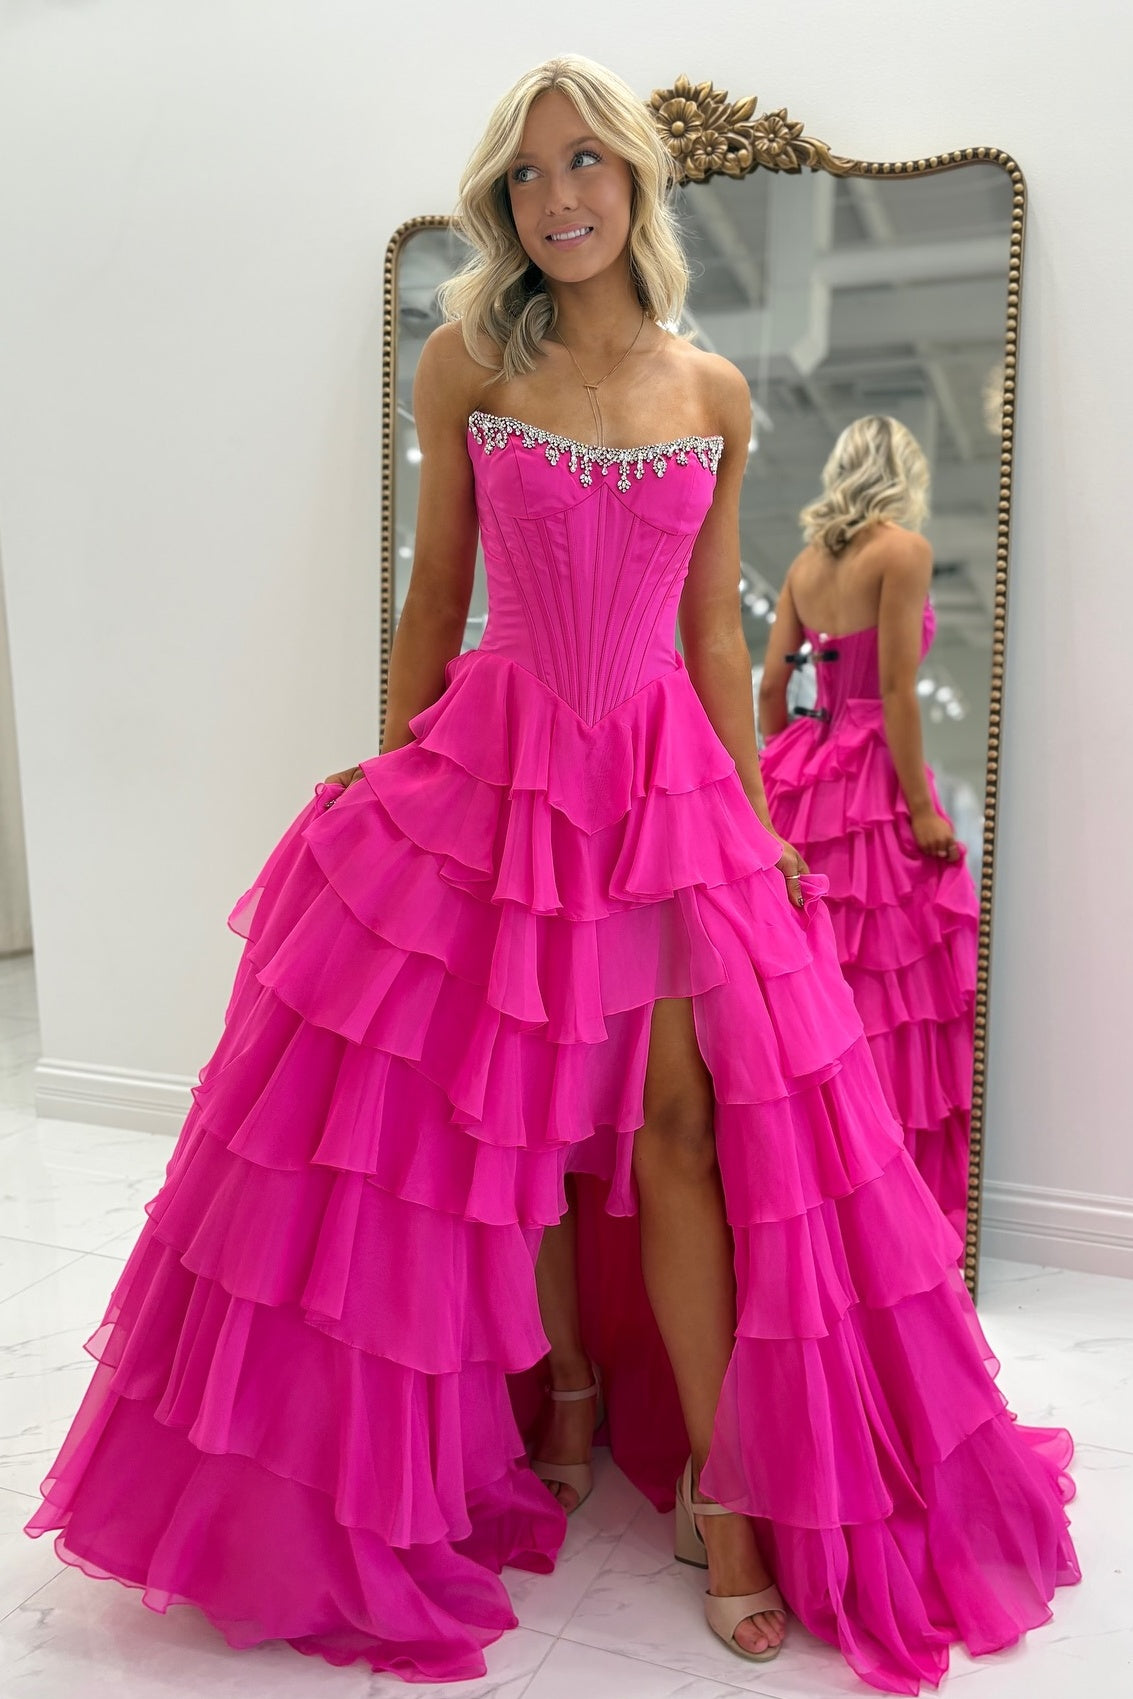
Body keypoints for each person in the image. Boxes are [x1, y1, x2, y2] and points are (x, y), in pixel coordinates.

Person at [24, 54, 1077, 1694]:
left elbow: (715, 633)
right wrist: (391, 768)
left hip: (659, 784)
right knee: (494, 1127)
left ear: (633, 180)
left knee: (679, 1131)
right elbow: (434, 587)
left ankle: (728, 1494)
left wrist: (756, 817)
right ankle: (561, 1394)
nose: (555, 196)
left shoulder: (710, 390)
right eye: (525, 174)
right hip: (497, 769)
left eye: (582, 162)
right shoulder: (468, 361)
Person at [757, 420, 980, 1243]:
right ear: (902, 472)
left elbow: (770, 692)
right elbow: (893, 689)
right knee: (892, 985)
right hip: (873, 778)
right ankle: (891, 1206)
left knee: (815, 982)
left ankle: (818, 1186)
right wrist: (920, 808)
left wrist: (782, 768)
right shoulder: (902, 551)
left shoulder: (802, 567)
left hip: (804, 772)